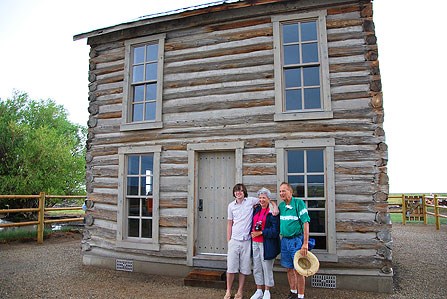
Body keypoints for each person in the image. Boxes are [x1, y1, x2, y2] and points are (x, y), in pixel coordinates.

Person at [225, 183, 278, 299]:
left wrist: (274, 206)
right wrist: (228, 240)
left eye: (241, 191)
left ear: (244, 192)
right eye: (237, 191)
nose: (261, 200)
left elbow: (266, 200)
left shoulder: (257, 205)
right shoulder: (236, 206)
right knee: (242, 267)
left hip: (255, 242)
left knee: (258, 267)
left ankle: (260, 291)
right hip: (245, 241)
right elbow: (230, 223)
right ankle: (233, 291)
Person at [278, 182, 311, 299]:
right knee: (289, 268)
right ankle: (293, 292)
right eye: (280, 191)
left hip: (296, 241)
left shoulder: (299, 203)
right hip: (285, 241)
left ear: (290, 192)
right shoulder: (281, 206)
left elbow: (305, 223)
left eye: (284, 191)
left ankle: (301, 296)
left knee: (299, 270)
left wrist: (305, 243)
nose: (281, 193)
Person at [249, 187, 280, 299]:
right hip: (255, 243)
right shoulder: (256, 209)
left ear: (268, 199)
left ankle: (267, 290)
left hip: (266, 244)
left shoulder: (273, 211)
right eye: (260, 197)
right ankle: (259, 290)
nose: (261, 200)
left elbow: (275, 231)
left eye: (264, 198)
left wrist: (261, 232)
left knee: (266, 267)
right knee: (257, 267)